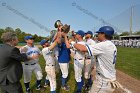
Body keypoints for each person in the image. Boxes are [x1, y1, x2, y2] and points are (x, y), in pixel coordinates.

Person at [69, 26, 119, 93]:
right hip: (109, 78)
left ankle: (87, 85)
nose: (97, 35)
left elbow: (82, 49)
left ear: (103, 34)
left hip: (103, 81)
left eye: (99, 33)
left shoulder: (104, 45)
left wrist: (72, 42)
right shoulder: (112, 45)